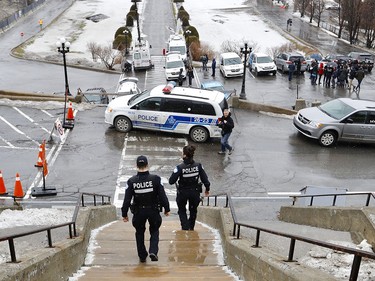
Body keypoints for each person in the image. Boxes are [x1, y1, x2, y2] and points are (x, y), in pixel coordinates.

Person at [121, 155, 170, 263]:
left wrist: (124, 213)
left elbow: (127, 199)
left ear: (136, 166)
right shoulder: (156, 179)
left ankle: (142, 255)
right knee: (154, 230)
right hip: (153, 210)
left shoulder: (131, 181)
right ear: (148, 165)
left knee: (139, 232)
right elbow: (162, 196)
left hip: (139, 211)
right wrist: (167, 208)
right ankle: (153, 251)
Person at [169, 145, 210, 231]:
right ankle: (191, 227)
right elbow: (205, 179)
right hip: (194, 192)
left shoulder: (180, 167)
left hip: (183, 192)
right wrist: (207, 189)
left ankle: (185, 227)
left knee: (182, 210)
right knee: (193, 210)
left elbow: (171, 181)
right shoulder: (198, 166)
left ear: (184, 155)